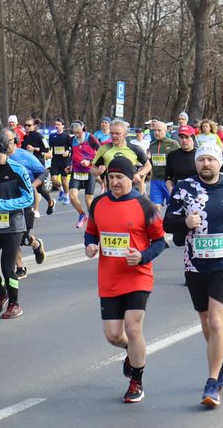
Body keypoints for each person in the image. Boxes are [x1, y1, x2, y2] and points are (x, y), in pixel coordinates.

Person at [163, 144, 223, 407]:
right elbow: (167, 224)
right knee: (206, 322)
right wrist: (185, 223)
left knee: (217, 322)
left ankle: (212, 382)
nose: (206, 163)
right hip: (195, 264)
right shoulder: (184, 188)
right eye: (201, 159)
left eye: (211, 159)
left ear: (219, 162)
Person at [84, 156, 166, 403]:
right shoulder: (98, 203)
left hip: (137, 276)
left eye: (120, 177)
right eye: (111, 178)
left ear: (132, 178)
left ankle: (136, 381)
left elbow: (160, 242)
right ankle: (131, 352)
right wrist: (90, 246)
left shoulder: (145, 206)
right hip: (109, 277)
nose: (115, 182)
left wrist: (142, 256)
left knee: (133, 327)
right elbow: (90, 234)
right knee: (112, 335)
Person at [0, 132, 34, 319]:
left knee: (8, 268)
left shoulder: (18, 170)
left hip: (12, 227)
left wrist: (2, 204)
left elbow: (28, 198)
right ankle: (2, 293)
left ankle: (15, 303)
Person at [4, 128, 47, 280]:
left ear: (15, 140)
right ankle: (20, 268)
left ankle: (35, 244)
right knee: (11, 235)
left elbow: (43, 172)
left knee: (22, 237)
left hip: (25, 201)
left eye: (8, 141)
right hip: (7, 203)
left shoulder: (25, 156)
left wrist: (33, 185)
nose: (5, 144)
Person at [91, 119, 152, 188]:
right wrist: (98, 171)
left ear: (125, 134)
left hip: (131, 189)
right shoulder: (104, 148)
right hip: (112, 189)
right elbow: (92, 169)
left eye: (117, 133)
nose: (114, 136)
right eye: (112, 133)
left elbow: (148, 165)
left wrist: (139, 174)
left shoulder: (135, 148)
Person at [69, 121, 101, 228]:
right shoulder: (72, 140)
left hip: (89, 171)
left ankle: (94, 221)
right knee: (72, 196)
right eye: (75, 133)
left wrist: (90, 162)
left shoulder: (91, 138)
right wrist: (70, 165)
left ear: (83, 129)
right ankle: (82, 214)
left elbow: (101, 151)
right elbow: (72, 154)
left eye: (78, 133)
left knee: (88, 200)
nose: (77, 135)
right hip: (76, 171)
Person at [21, 118, 55, 216]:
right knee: (29, 186)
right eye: (25, 125)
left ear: (35, 126)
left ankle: (50, 202)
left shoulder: (40, 136)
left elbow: (47, 149)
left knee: (39, 189)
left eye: (29, 125)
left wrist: (35, 149)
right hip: (27, 165)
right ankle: (32, 209)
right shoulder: (25, 137)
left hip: (38, 163)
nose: (27, 127)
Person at [148, 120, 180, 208]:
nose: (156, 132)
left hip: (169, 181)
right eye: (155, 130)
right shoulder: (152, 145)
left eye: (159, 130)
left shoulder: (173, 144)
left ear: (165, 131)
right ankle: (158, 222)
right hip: (155, 180)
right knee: (154, 207)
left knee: (173, 207)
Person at [165, 125, 197, 193]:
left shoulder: (200, 155)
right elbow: (168, 177)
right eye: (181, 137)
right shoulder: (172, 155)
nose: (184, 140)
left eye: (187, 137)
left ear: (193, 138)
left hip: (198, 194)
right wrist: (171, 191)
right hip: (178, 194)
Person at [48, 117, 73, 205]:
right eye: (55, 124)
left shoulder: (67, 136)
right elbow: (49, 147)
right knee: (53, 180)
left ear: (63, 126)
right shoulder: (52, 136)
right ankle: (61, 190)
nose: (57, 126)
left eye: (58, 125)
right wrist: (48, 153)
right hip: (55, 160)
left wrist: (68, 151)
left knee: (64, 180)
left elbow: (72, 148)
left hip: (65, 161)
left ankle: (66, 196)